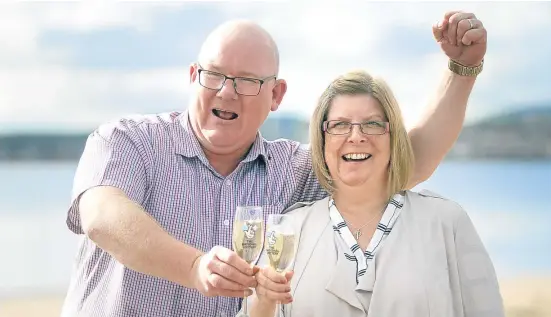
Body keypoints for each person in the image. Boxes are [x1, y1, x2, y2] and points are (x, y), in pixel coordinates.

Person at [60, 10, 487, 317]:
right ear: (193, 77)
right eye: (214, 75)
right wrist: (193, 267)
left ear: (276, 95)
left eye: (248, 81)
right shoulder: (128, 140)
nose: (227, 92)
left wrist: (462, 69)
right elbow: (102, 216)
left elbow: (405, 163)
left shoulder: (294, 171)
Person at [246, 69, 503, 317]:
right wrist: (264, 302)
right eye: (340, 125)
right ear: (322, 140)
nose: (356, 136)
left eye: (372, 124)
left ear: (393, 137)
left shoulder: (446, 221)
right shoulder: (289, 230)